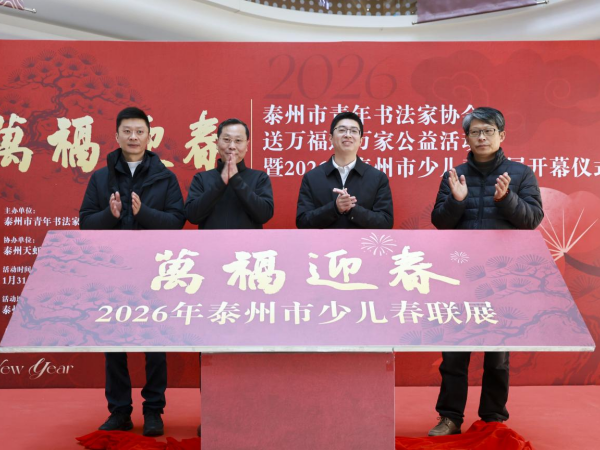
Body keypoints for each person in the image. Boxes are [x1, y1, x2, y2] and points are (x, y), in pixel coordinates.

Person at [429, 106, 544, 436]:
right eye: (475, 132)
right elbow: (440, 222)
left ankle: (493, 419)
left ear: (501, 135)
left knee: (497, 356)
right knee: (454, 353)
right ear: (466, 137)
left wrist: (506, 198)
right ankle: (450, 418)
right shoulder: (454, 175)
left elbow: (532, 220)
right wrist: (457, 200)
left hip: (502, 279)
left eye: (488, 131)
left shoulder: (521, 174)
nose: (482, 137)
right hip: (461, 275)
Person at [79, 106, 185, 437]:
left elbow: (177, 222)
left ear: (149, 136)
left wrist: (144, 213)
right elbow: (85, 222)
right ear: (117, 135)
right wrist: (110, 216)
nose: (133, 137)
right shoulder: (101, 178)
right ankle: (119, 411)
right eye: (127, 131)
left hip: (153, 272)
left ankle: (153, 411)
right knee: (114, 344)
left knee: (155, 345)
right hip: (113, 272)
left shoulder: (165, 177)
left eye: (139, 131)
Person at [184, 117, 274, 435]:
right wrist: (221, 181)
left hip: (250, 277)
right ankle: (213, 412)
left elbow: (264, 213)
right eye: (226, 140)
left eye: (238, 140)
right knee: (210, 346)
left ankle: (249, 410)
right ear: (217, 143)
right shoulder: (202, 179)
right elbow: (193, 214)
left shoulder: (259, 178)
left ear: (247, 145)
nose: (232, 146)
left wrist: (236, 180)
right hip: (210, 275)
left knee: (247, 344)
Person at [296, 111, 393, 229]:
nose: (348, 135)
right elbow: (302, 222)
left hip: (361, 241)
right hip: (323, 242)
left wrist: (353, 210)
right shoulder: (312, 178)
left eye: (354, 131)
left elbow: (385, 222)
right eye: (342, 130)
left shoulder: (377, 178)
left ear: (361, 140)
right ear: (331, 138)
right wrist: (334, 208)